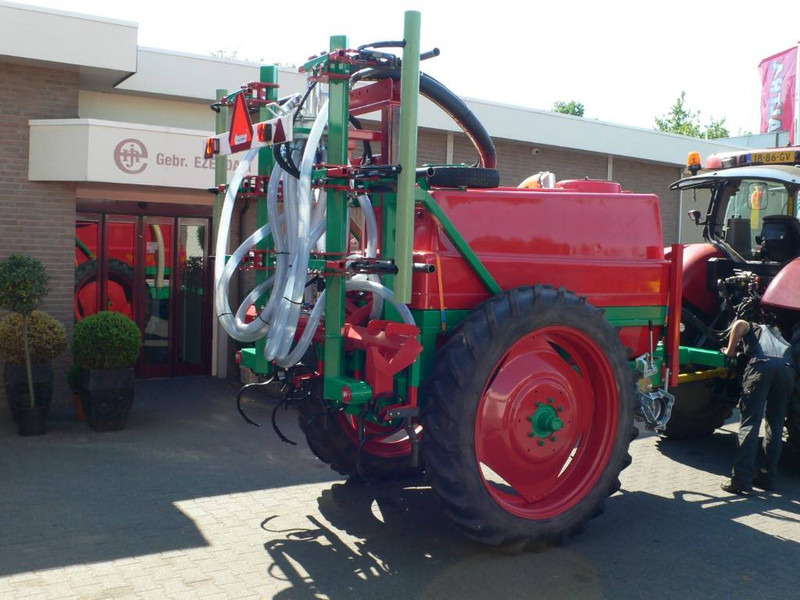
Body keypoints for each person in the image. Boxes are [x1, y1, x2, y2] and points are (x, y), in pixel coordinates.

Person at [720, 317, 795, 494]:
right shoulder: (782, 334)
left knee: (749, 424)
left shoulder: (753, 326)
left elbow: (739, 325)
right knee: (775, 426)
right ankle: (767, 478)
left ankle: (741, 480)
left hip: (761, 368)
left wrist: (730, 351)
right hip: (787, 371)